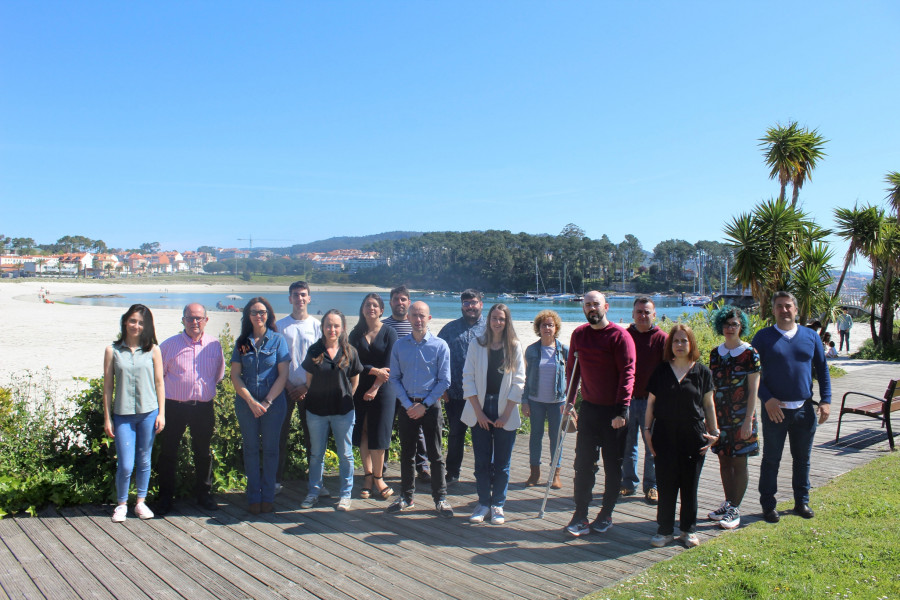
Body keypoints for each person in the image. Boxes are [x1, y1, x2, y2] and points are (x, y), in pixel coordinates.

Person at [752, 291, 831, 523]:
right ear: (773, 310)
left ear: (796, 310)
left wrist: (826, 400)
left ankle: (801, 502)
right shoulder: (763, 338)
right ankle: (768, 505)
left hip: (804, 409)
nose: (784, 310)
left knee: (802, 459)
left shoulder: (810, 336)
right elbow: (753, 373)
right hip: (775, 410)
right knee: (771, 459)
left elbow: (822, 369)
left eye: (788, 306)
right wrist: (767, 398)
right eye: (779, 306)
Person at [564, 291, 636, 537]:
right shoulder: (579, 335)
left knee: (612, 466)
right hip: (590, 410)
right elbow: (573, 371)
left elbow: (627, 374)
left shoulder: (620, 337)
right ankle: (580, 513)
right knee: (583, 463)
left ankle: (606, 513)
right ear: (583, 308)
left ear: (606, 306)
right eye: (587, 305)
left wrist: (621, 410)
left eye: (596, 304)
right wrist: (570, 401)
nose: (592, 308)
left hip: (614, 412)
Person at [645, 324, 719, 548]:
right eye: (675, 341)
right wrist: (647, 432)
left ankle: (688, 530)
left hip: (693, 435)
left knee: (689, 486)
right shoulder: (661, 370)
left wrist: (714, 433)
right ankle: (664, 530)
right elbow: (650, 404)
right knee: (666, 485)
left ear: (691, 344)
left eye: (684, 341)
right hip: (664, 434)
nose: (679, 345)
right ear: (670, 345)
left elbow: (708, 405)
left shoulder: (702, 372)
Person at [386, 301, 453, 518]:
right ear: (408, 318)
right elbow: (394, 378)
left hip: (430, 406)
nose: (418, 319)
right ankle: (406, 497)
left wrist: (423, 406)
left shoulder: (440, 345)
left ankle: (440, 498)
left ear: (429, 318)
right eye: (414, 315)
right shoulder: (399, 346)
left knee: (435, 454)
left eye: (422, 315)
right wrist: (408, 405)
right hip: (407, 406)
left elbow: (445, 381)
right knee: (407, 454)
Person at [157, 303, 225, 515]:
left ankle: (203, 495)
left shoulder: (214, 345)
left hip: (203, 408)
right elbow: (158, 378)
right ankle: (165, 498)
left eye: (198, 318)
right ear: (183, 320)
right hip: (174, 406)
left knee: (203, 452)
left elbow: (218, 375)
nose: (194, 322)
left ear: (206, 320)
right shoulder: (169, 346)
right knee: (168, 453)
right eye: (190, 318)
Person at [461, 304, 525, 525]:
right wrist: (478, 413)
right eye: (495, 318)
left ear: (507, 322)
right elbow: (467, 378)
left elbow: (519, 382)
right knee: (481, 461)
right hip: (479, 406)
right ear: (488, 320)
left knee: (502, 463)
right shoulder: (476, 344)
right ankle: (483, 503)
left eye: (502, 319)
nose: (498, 322)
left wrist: (506, 414)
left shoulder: (514, 347)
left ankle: (498, 504)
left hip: (505, 408)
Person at [102, 304, 166, 523]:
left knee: (145, 459)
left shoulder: (153, 350)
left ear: (146, 326)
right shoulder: (113, 350)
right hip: (122, 414)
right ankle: (121, 505)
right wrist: (107, 417)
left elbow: (159, 383)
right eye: (132, 321)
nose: (136, 326)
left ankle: (140, 502)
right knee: (126, 464)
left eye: (141, 322)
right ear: (125, 321)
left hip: (149, 412)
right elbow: (108, 386)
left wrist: (162, 413)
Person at [230, 297, 290, 515]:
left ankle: (268, 496)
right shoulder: (243, 342)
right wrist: (251, 401)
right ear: (248, 316)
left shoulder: (277, 341)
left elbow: (283, 375)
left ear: (269, 315)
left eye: (262, 312)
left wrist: (265, 402)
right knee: (251, 449)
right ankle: (254, 496)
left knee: (272, 450)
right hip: (247, 405)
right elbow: (235, 376)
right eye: (254, 312)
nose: (259, 316)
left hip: (273, 405)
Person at [301, 310, 363, 511]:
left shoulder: (350, 352)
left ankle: (345, 494)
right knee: (316, 454)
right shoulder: (314, 351)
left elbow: (355, 381)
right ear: (323, 328)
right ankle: (314, 491)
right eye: (328, 325)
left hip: (343, 412)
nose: (332, 329)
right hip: (316, 411)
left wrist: (344, 396)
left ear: (342, 328)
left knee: (345, 454)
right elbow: (309, 381)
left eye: (336, 325)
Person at [707, 306, 760, 530]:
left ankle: (735, 508)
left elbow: (753, 390)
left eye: (734, 325)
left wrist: (748, 419)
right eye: (726, 324)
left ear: (741, 327)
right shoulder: (715, 353)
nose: (730, 328)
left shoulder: (750, 353)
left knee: (739, 461)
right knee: (723, 460)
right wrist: (709, 421)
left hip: (741, 417)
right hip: (720, 417)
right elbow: (710, 388)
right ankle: (728, 503)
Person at [275, 281, 322, 496]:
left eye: (303, 295)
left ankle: (315, 482)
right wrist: (287, 384)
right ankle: (275, 481)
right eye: (296, 295)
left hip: (310, 389)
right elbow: (276, 359)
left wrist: (305, 386)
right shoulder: (280, 325)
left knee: (313, 437)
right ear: (289, 299)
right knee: (279, 435)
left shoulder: (317, 326)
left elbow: (321, 360)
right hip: (284, 388)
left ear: (309, 298)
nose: (300, 299)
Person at [348, 293, 397, 500]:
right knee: (364, 432)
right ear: (362, 308)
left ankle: (379, 478)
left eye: (375, 305)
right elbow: (352, 362)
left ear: (382, 310)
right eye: (367, 305)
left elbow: (390, 364)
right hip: (359, 387)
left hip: (384, 390)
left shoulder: (389, 333)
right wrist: (373, 370)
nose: (371, 308)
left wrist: (375, 385)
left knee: (380, 434)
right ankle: (367, 476)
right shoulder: (355, 333)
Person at [382, 285, 430, 482]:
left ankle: (422, 467)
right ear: (390, 302)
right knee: (385, 426)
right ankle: (381, 467)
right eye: (396, 299)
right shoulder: (383, 326)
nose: (399, 302)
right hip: (388, 385)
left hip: (412, 387)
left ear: (409, 303)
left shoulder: (417, 325)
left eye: (403, 299)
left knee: (418, 428)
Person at [438, 288, 486, 484]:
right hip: (456, 393)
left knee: (482, 437)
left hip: (483, 394)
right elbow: (437, 358)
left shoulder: (490, 328)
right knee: (456, 435)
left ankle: (483, 473)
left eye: (473, 302)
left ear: (481, 304)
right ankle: (452, 472)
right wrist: (442, 387)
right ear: (462, 306)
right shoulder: (449, 329)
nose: (470, 306)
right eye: (466, 303)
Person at [622, 297, 667, 505]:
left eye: (647, 312)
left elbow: (669, 370)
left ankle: (652, 486)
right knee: (627, 445)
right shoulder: (624, 336)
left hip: (652, 403)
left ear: (654, 315)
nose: (642, 315)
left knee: (652, 447)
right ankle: (628, 482)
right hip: (628, 400)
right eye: (639, 311)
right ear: (633, 314)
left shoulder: (662, 339)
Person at [521, 309, 568, 489]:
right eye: (544, 325)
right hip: (536, 401)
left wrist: (570, 401)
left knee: (556, 438)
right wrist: (525, 401)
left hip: (558, 402)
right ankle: (535, 473)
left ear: (556, 328)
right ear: (538, 328)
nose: (547, 328)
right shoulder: (532, 350)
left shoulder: (564, 350)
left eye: (550, 325)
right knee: (536, 437)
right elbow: (526, 376)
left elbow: (571, 377)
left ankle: (555, 474)